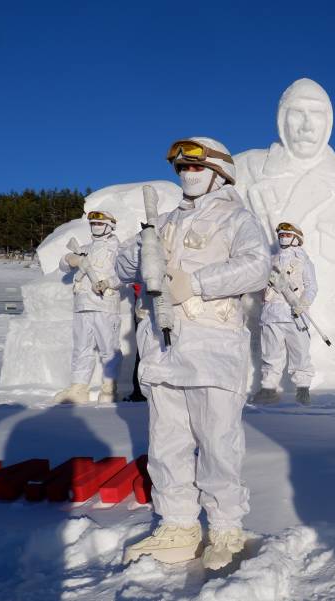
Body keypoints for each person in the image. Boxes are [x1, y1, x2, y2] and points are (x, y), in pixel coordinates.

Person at [117, 137, 270, 570]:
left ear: (220, 172)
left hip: (213, 348)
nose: (187, 175)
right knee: (167, 442)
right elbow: (122, 266)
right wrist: (142, 250)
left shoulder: (237, 219)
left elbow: (257, 266)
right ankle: (179, 524)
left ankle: (225, 528)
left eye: (196, 168)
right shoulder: (162, 221)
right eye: (181, 169)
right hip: (164, 348)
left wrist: (196, 282)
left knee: (217, 441)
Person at [52, 211, 123, 404]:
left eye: (100, 224)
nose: (95, 227)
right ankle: (78, 387)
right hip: (82, 305)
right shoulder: (85, 248)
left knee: (109, 348)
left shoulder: (118, 250)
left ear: (110, 226)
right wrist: (69, 258)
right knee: (81, 348)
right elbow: (63, 266)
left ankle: (109, 387)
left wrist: (108, 283)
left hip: (105, 305)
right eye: (92, 224)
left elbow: (126, 273)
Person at [255, 222, 318, 406]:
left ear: (296, 238)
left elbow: (312, 286)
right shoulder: (271, 261)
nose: (283, 238)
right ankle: (268, 389)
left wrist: (303, 303)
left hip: (295, 315)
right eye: (281, 235)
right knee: (271, 354)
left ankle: (303, 390)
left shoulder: (303, 261)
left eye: (287, 235)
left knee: (300, 353)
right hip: (271, 315)